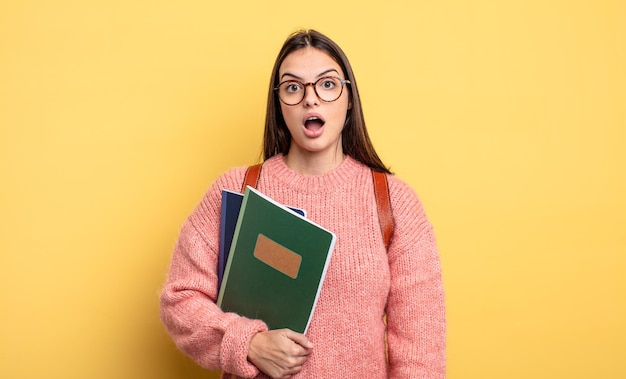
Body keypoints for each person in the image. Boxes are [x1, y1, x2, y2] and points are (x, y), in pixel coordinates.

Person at [160, 29, 446, 378]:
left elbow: (420, 351)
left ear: (349, 97)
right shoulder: (236, 189)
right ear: (279, 103)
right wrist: (247, 343)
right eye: (293, 88)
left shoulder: (394, 203)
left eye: (326, 85)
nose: (311, 99)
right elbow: (180, 299)